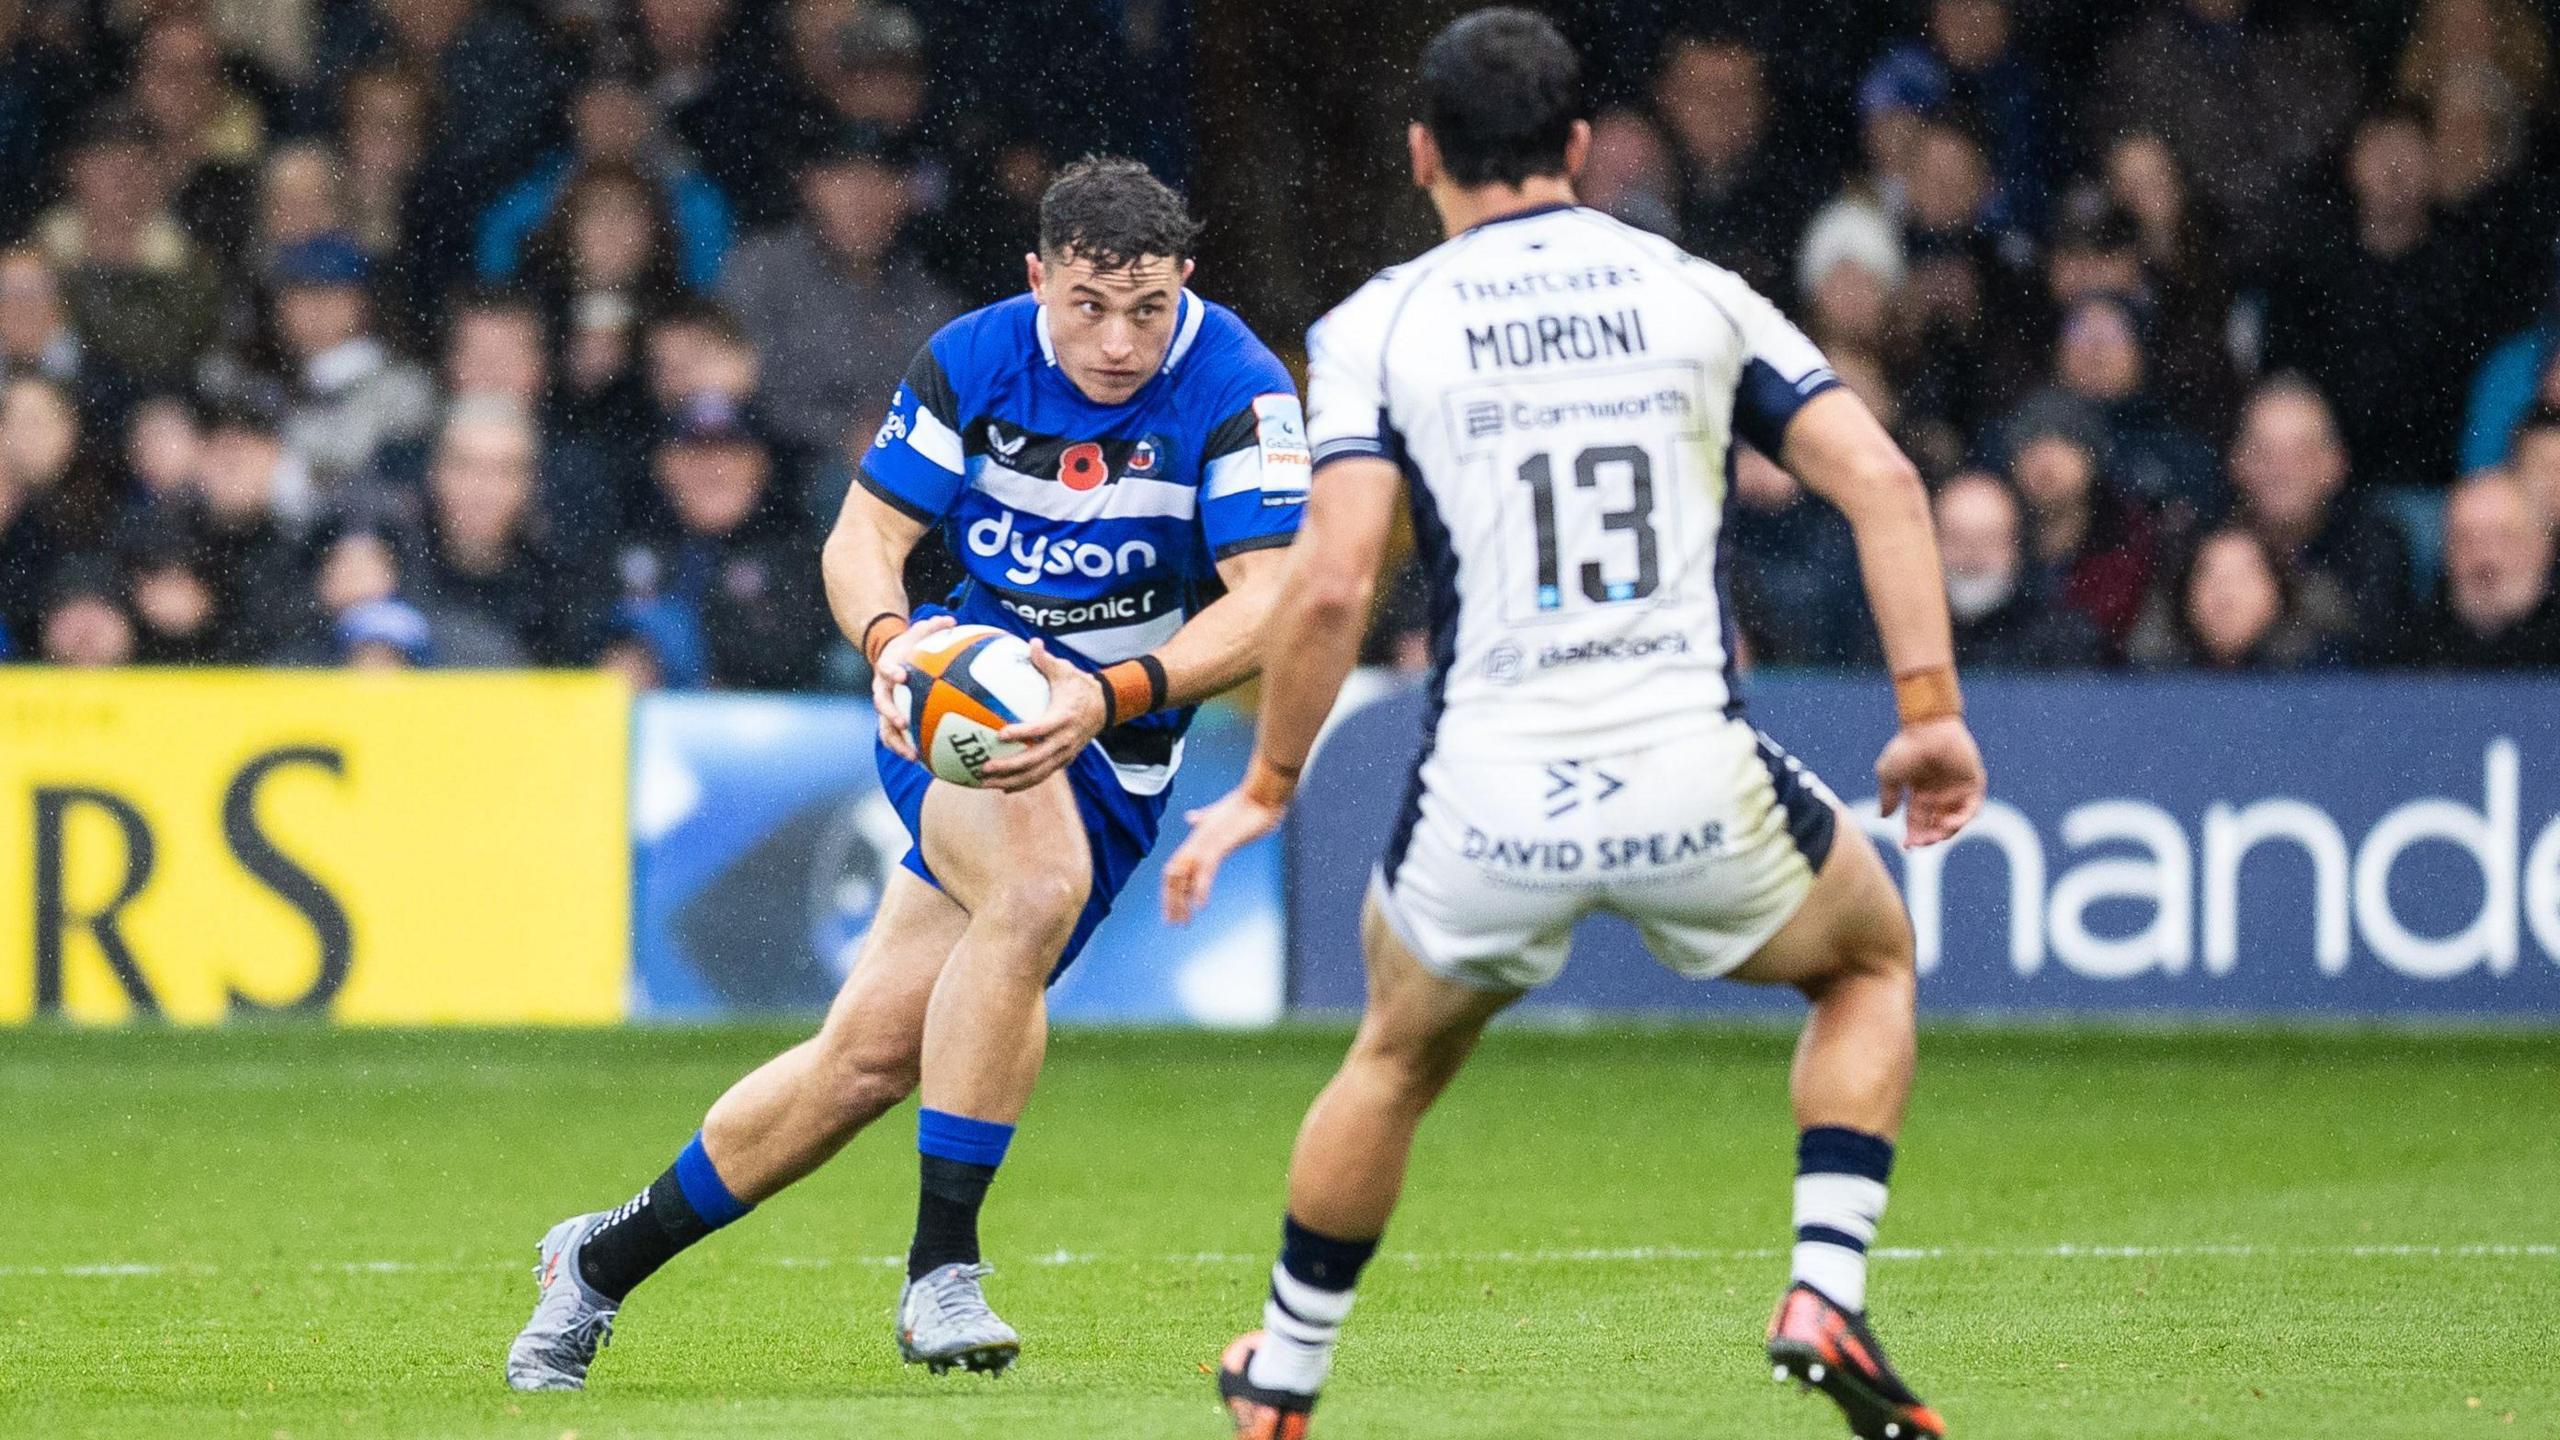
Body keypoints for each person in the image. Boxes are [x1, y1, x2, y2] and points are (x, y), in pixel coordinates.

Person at [1158, 14, 1984, 1440]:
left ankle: (1284, 1379)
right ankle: (1824, 1288)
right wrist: (1929, 714)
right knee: (1868, 960)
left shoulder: (1377, 325)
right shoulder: (1695, 292)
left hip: (1486, 797)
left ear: (1424, 154)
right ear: (1583, 150)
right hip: (1693, 774)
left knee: (1395, 1061)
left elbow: (1333, 583)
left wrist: (1271, 782)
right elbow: (1886, 485)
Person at [506, 156, 1309, 1389]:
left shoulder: (1242, 388)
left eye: (1145, 310)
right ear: (1038, 277)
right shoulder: (974, 358)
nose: (1115, 340)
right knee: (1034, 890)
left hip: (1117, 742)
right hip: (953, 710)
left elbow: (1270, 601)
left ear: (1183, 284)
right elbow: (867, 536)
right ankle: (942, 1270)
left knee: (868, 1059)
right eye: (1087, 306)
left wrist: (1108, 695)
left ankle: (602, 1262)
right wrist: (890, 645)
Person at [1936, 470, 2102, 669]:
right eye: (1956, 538)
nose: (1972, 557)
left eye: (1989, 540)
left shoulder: (2062, 639)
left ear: (2016, 548)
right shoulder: (1900, 640)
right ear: (1932, 545)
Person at [2394, 470, 2560, 667]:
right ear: (2445, 551)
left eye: (2503, 537)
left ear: (2543, 546)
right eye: (2466, 539)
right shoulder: (2407, 651)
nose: (2486, 558)